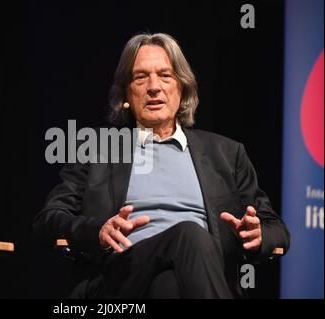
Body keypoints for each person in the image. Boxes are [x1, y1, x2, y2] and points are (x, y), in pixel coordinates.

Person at [34, 33, 290, 298]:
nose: (153, 87)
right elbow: (49, 218)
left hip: (192, 279)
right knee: (190, 235)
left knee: (167, 286)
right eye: (140, 77)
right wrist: (97, 230)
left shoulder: (225, 153)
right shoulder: (99, 148)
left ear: (182, 88)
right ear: (126, 94)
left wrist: (258, 235)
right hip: (119, 281)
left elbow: (276, 228)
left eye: (165, 76)